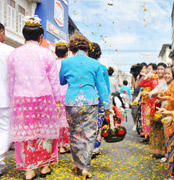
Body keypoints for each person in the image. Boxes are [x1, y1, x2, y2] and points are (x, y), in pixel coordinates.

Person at [7, 16, 61, 180]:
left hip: (21, 99)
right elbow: (54, 80)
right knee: (45, 133)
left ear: (24, 35)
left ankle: (29, 170)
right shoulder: (47, 54)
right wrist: (58, 101)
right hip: (44, 98)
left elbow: (11, 80)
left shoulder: (13, 55)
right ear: (41, 37)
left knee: (25, 135)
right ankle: (44, 166)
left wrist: (12, 100)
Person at [59, 35, 110, 179]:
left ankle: (76, 163)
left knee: (74, 133)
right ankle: (85, 168)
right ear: (87, 49)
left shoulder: (66, 62)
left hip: (71, 102)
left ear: (72, 49)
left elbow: (62, 81)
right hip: (90, 101)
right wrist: (106, 105)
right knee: (88, 135)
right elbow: (102, 87)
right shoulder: (95, 64)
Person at [88, 42, 110, 157]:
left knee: (87, 123)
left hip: (87, 98)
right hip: (100, 99)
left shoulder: (84, 65)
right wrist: (108, 104)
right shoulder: (102, 68)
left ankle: (86, 147)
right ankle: (95, 147)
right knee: (97, 124)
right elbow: (106, 87)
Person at [0, 23, 14, 176]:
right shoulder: (9, 51)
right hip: (4, 97)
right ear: (1, 33)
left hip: (5, 97)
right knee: (5, 130)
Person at [55, 40, 70, 154]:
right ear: (66, 53)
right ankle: (65, 145)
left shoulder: (52, 63)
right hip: (67, 93)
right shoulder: (69, 63)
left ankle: (57, 145)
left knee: (56, 120)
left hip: (54, 94)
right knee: (66, 121)